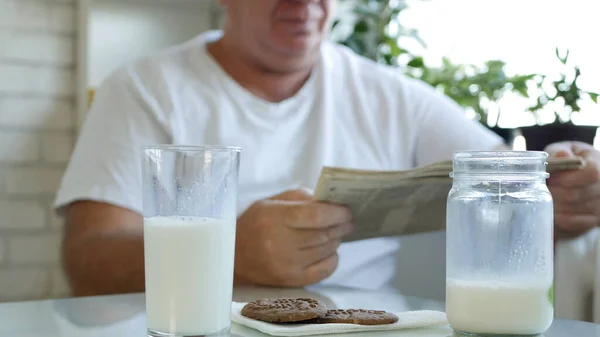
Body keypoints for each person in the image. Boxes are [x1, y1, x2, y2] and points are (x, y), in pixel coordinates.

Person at [54, 0, 600, 297]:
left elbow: (515, 190)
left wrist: (576, 193)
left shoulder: (392, 95)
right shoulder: (146, 88)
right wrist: (232, 252)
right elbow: (87, 262)